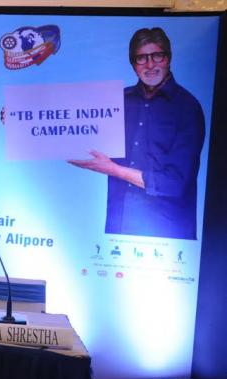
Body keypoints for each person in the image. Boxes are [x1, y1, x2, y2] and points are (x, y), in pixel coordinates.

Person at [69, 27, 205, 240]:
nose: (150, 65)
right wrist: (26, 119)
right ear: (133, 65)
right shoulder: (116, 102)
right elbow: (73, 126)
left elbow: (175, 183)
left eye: (157, 55)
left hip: (167, 234)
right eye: (141, 58)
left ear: (168, 58)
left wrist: (114, 170)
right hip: (118, 226)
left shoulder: (188, 108)